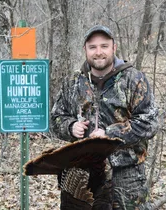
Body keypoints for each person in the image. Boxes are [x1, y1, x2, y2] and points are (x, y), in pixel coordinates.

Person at [51, 25, 158, 209]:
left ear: (114, 48)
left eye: (104, 46)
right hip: (83, 176)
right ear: (85, 50)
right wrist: (70, 127)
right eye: (92, 47)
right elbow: (55, 118)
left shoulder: (133, 79)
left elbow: (149, 121)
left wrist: (110, 134)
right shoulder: (73, 83)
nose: (98, 52)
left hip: (126, 175)